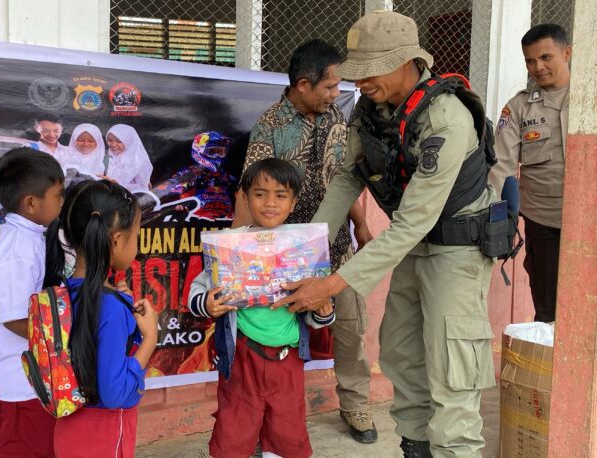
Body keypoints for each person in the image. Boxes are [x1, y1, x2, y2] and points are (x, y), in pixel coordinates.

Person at [275, 12, 498, 457]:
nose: (360, 82)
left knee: (451, 374)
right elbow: (347, 178)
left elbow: (411, 222)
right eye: (356, 71)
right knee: (402, 355)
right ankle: (415, 447)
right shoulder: (371, 110)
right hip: (413, 248)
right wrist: (305, 250)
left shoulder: (447, 119)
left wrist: (331, 285)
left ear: (407, 62)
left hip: (456, 251)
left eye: (370, 70)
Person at [234, 38, 377, 443]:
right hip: (285, 258)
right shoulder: (270, 126)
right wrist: (237, 249)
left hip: (337, 250)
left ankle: (355, 404)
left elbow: (342, 180)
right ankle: (263, 424)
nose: (336, 93)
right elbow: (250, 190)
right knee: (271, 336)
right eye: (330, 86)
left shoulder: (337, 118)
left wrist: (362, 226)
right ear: (303, 84)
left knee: (349, 328)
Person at [189, 158, 336, 458]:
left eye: (281, 195)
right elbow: (198, 289)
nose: (270, 203)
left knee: (286, 428)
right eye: (260, 194)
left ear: (293, 203)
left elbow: (314, 309)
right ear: (245, 198)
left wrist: (322, 312)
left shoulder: (303, 249)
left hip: (288, 358)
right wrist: (207, 303)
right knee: (235, 427)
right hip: (243, 356)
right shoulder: (230, 247)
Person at [49, 180, 158, 458]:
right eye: (136, 235)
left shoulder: (63, 294)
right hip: (105, 435)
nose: (136, 243)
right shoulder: (110, 307)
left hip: (68, 429)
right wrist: (149, 339)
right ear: (117, 240)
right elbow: (114, 393)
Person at [489, 23, 571, 323]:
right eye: (530, 61)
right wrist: (494, 220)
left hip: (590, 221)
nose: (538, 67)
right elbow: (500, 167)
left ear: (567, 53)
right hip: (544, 221)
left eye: (546, 57)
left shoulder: (590, 96)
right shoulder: (519, 108)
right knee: (548, 311)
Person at [0, 148, 65, 457]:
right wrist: (61, 340)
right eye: (58, 195)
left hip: (37, 381)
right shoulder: (17, 250)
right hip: (22, 385)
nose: (62, 201)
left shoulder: (31, 236)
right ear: (31, 203)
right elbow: (14, 318)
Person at [102, 124, 153, 192]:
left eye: (119, 141)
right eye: (110, 140)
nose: (113, 144)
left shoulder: (139, 162)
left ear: (128, 141)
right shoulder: (107, 155)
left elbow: (143, 188)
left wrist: (117, 184)